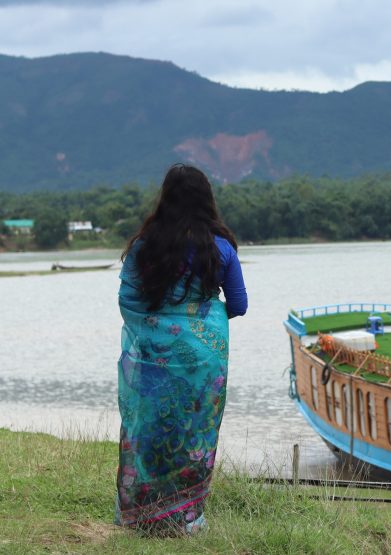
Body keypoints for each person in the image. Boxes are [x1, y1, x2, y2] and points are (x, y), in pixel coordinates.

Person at [115, 164, 247, 536]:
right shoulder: (220, 248)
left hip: (152, 362)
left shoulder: (145, 246)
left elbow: (128, 300)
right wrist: (200, 319)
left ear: (165, 198)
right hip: (204, 363)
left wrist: (160, 327)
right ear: (207, 200)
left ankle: (142, 518)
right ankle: (187, 519)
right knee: (195, 433)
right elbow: (238, 304)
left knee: (150, 430)